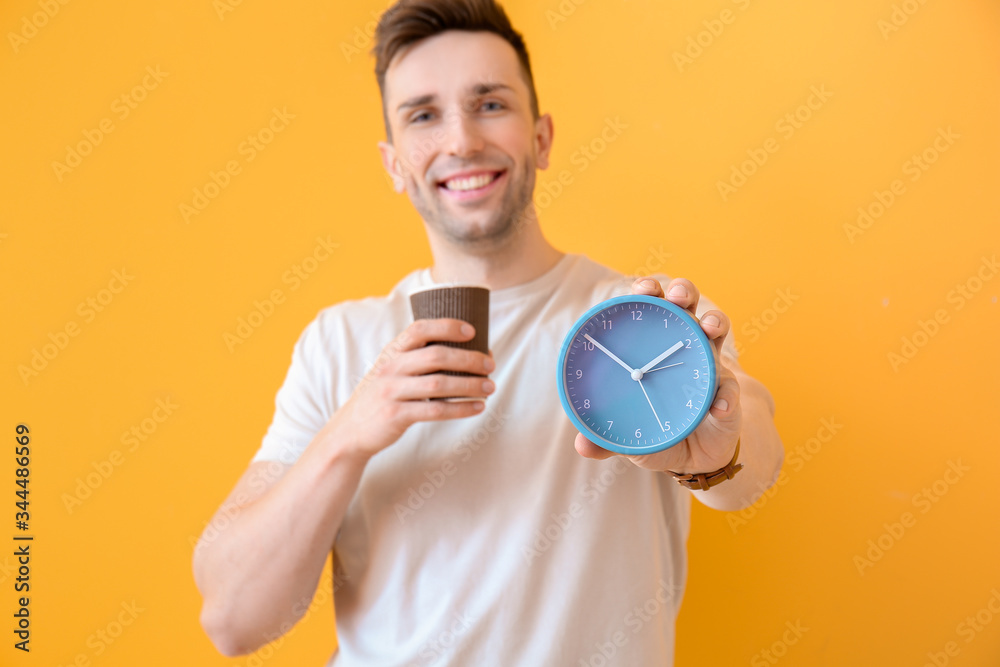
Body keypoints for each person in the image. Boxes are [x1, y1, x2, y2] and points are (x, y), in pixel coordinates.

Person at [192, 1, 785, 664]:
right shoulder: (339, 342)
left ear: (541, 137)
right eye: (423, 115)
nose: (462, 141)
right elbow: (233, 619)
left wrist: (718, 442)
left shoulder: (640, 320)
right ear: (393, 164)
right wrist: (352, 432)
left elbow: (753, 463)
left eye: (491, 104)